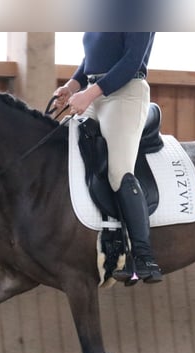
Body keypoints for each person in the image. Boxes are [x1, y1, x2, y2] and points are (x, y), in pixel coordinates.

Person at [53, 32, 162, 285]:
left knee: (118, 171)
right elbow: (94, 57)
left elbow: (131, 60)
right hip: (95, 93)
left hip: (125, 93)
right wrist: (71, 86)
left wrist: (88, 95)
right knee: (67, 152)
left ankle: (144, 257)